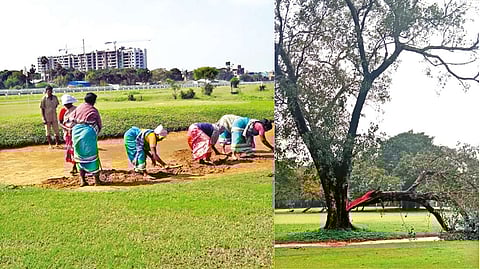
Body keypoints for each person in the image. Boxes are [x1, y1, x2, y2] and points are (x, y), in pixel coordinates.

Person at [70, 92, 104, 187]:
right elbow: (99, 125)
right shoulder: (94, 110)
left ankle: (82, 180)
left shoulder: (79, 107)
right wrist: (95, 133)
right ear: (93, 101)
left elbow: (70, 119)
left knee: (79, 155)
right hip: (88, 133)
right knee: (92, 155)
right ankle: (97, 181)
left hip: (76, 132)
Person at [58, 94, 78, 175]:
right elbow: (60, 122)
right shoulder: (63, 111)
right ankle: (74, 165)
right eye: (65, 104)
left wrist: (73, 129)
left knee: (75, 149)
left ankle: (76, 166)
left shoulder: (76, 110)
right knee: (70, 150)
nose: (67, 106)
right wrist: (67, 129)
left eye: (68, 104)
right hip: (67, 133)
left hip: (75, 132)